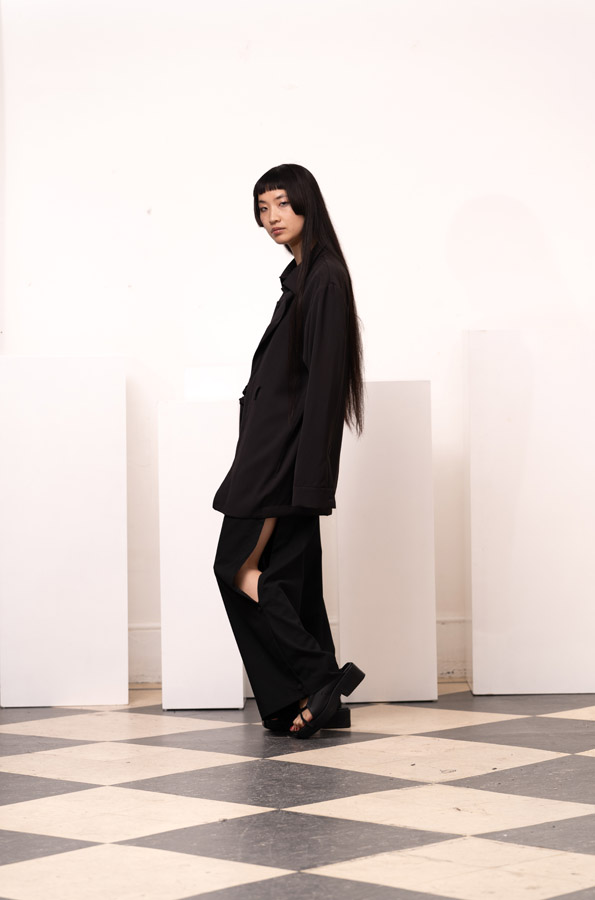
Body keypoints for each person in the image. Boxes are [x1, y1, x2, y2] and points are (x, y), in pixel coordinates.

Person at [213, 163, 365, 738]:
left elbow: (323, 385)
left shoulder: (324, 278)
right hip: (276, 451)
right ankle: (308, 699)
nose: (271, 217)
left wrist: (309, 478)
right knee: (291, 580)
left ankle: (319, 679)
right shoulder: (302, 277)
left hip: (279, 457)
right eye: (262, 208)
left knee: (234, 566)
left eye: (281, 203)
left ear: (306, 203)